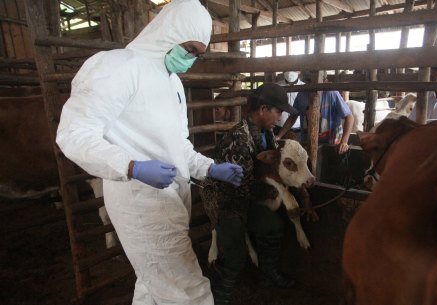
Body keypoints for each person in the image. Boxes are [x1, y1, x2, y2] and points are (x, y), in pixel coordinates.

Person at [56, 1, 243, 304]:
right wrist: (131, 166)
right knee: (188, 291)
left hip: (171, 197)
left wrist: (209, 168)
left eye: (199, 54)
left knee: (153, 284)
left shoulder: (172, 82)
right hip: (139, 200)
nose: (192, 59)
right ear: (169, 34)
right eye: (190, 49)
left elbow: (177, 144)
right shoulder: (118, 66)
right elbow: (73, 134)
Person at [201, 83, 309, 305]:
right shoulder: (239, 139)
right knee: (235, 256)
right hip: (226, 202)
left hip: (250, 198)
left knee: (274, 226)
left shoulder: (266, 133)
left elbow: (268, 171)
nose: (280, 117)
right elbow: (243, 185)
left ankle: (267, 273)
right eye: (278, 111)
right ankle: (219, 296)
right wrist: (280, 190)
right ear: (263, 110)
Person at [277, 71, 354, 155]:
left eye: (318, 82)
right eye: (310, 81)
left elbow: (349, 117)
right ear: (306, 81)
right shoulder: (302, 95)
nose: (313, 85)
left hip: (332, 143)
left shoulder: (331, 94)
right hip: (308, 142)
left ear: (325, 81)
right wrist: (279, 136)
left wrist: (344, 141)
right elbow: (293, 116)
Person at [274, 71, 304, 138]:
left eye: (293, 69)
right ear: (283, 71)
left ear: (299, 71)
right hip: (278, 127)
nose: (290, 72)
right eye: (287, 69)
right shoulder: (276, 87)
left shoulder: (304, 88)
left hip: (298, 129)